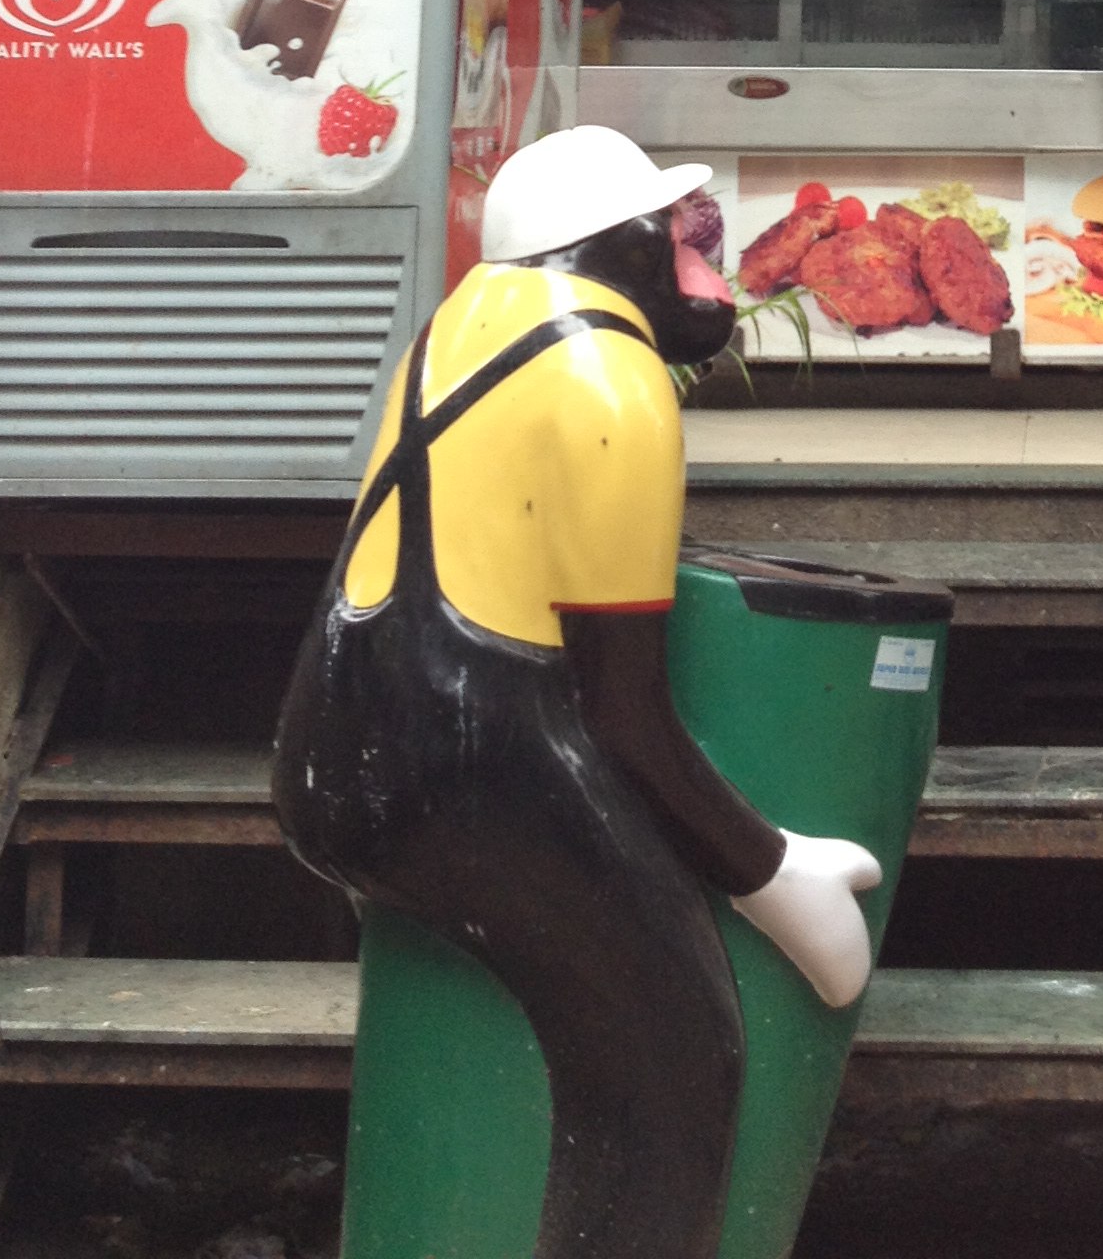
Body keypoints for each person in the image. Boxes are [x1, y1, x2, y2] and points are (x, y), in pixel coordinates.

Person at [274, 127, 881, 1259]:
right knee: (671, 1051)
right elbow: (627, 719)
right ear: (620, 244)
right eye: (674, 225)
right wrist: (774, 876)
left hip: (335, 736)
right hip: (460, 758)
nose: (704, 245)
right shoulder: (611, 380)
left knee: (595, 1016)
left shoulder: (465, 323)